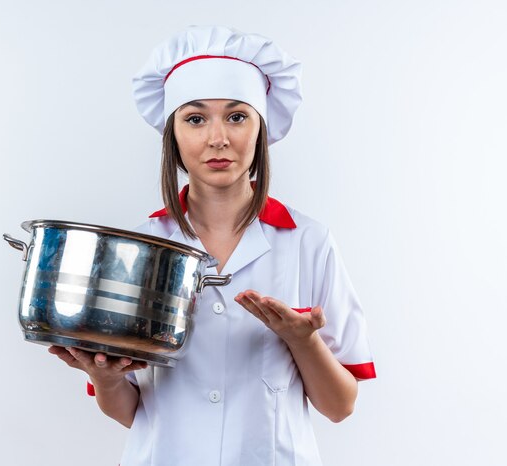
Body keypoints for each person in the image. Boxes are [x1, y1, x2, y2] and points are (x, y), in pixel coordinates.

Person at [49, 25, 376, 465]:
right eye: (196, 118)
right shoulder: (139, 246)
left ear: (260, 128)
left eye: (237, 116)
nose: (217, 139)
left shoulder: (308, 242)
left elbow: (340, 406)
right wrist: (103, 378)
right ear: (174, 134)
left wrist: (302, 341)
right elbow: (129, 411)